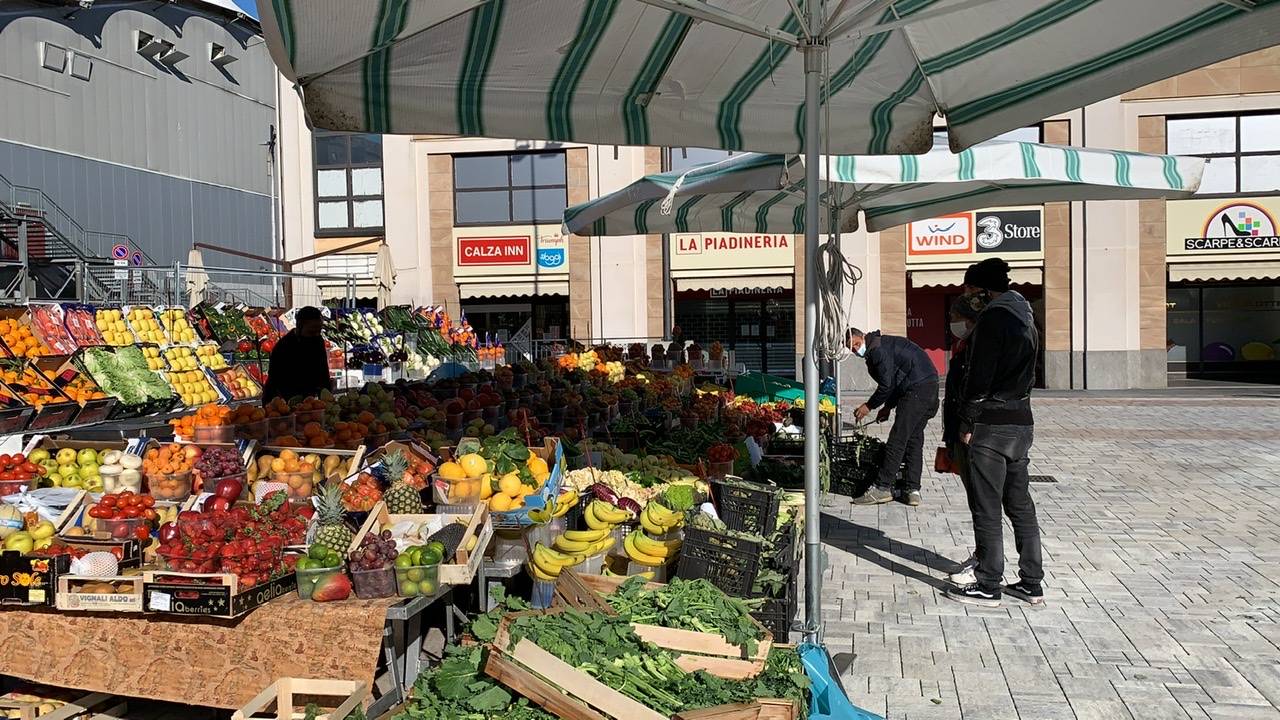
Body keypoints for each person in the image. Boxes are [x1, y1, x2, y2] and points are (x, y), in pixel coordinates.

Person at [944, 258, 1044, 608]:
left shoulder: (993, 319)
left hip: (991, 424)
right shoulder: (1026, 316)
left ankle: (988, 583)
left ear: (984, 290)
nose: (968, 296)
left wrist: (967, 422)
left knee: (986, 506)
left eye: (971, 290)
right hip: (1021, 421)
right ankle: (1031, 582)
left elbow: (980, 377)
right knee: (1020, 505)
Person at [847, 328, 939, 506]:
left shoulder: (878, 350)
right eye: (852, 349)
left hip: (917, 390)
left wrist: (869, 406)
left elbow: (887, 385)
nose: (856, 350)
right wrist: (888, 407)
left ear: (862, 337)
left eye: (856, 344)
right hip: (928, 386)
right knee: (913, 439)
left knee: (897, 439)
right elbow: (898, 380)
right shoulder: (882, 344)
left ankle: (882, 487)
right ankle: (912, 490)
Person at [941, 290, 988, 585]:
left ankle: (985, 565)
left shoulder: (977, 350)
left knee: (982, 503)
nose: (952, 323)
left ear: (969, 320)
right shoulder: (965, 347)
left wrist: (966, 427)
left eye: (955, 317)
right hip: (961, 432)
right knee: (977, 502)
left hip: (973, 435)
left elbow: (973, 393)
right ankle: (983, 558)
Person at [262, 306, 332, 404]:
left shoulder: (318, 341)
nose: (316, 334)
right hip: (285, 401)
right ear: (299, 326)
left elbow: (323, 371)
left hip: (308, 401)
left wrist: (327, 397)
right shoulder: (284, 346)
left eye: (319, 330)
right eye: (311, 331)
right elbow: (275, 380)